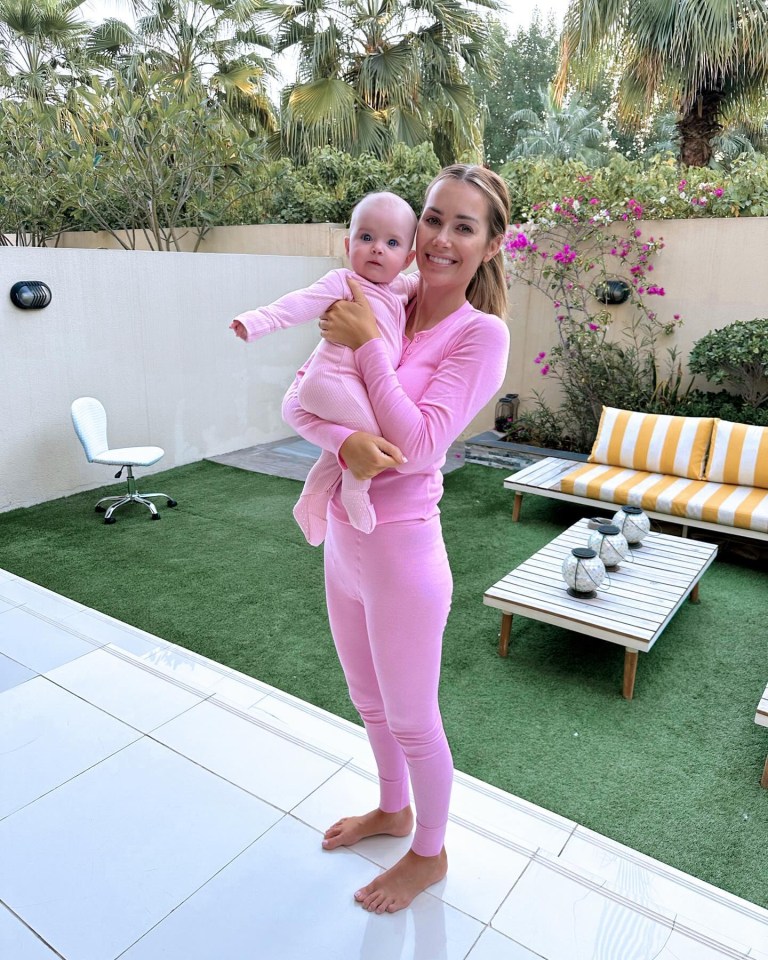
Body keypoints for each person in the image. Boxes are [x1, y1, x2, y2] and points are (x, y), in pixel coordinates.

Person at [281, 164, 512, 914]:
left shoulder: (481, 335)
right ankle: (393, 809)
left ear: (489, 244)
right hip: (347, 540)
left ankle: (430, 852)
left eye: (463, 226)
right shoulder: (388, 297)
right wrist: (345, 443)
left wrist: (366, 347)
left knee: (413, 718)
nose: (441, 238)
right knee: (366, 700)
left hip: (404, 552)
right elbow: (315, 392)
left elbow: (416, 445)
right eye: (435, 219)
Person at [230, 192, 418, 545]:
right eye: (367, 238)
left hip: (349, 388)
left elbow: (429, 282)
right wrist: (257, 321)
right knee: (374, 431)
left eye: (391, 242)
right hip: (329, 382)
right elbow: (299, 303)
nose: (377, 248)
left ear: (407, 258)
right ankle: (355, 492)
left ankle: (311, 500)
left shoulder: (400, 288)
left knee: (343, 448)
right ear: (349, 245)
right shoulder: (343, 282)